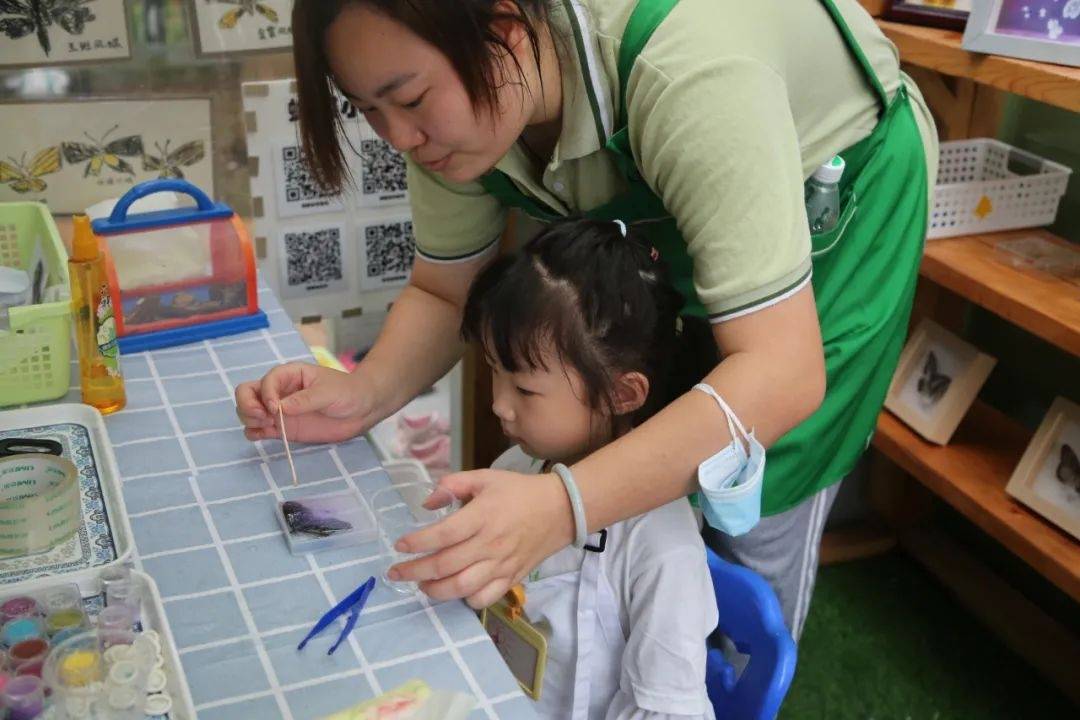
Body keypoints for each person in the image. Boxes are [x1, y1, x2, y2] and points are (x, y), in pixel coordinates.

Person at [235, 0, 937, 637]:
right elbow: (447, 292)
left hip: (834, 208)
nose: (400, 138)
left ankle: (733, 660)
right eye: (367, 110)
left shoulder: (687, 71)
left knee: (749, 488)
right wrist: (363, 393)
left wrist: (561, 506)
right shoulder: (460, 110)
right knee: (628, 427)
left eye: (410, 99)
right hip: (680, 192)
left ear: (505, 29)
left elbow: (780, 375)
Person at [464, 217, 718, 719]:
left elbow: (664, 709)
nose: (499, 405)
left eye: (526, 390)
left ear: (623, 394)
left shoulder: (661, 549)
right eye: (495, 372)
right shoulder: (516, 467)